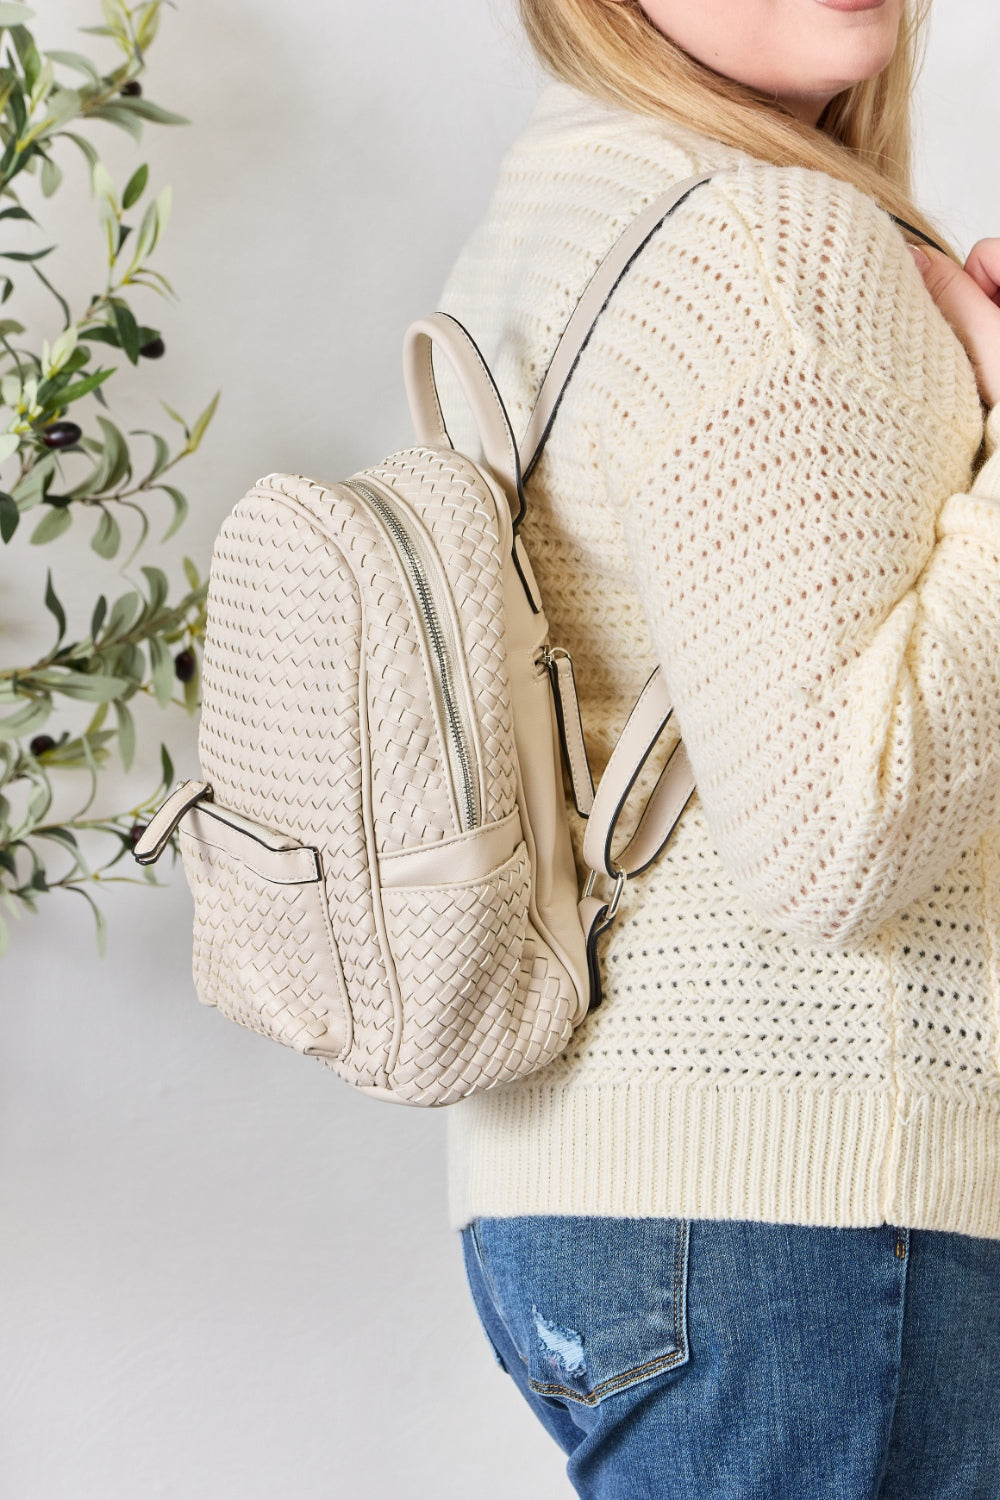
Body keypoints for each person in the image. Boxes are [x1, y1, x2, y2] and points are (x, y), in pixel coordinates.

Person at [434, 1, 1000, 1496]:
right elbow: (841, 831)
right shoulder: (767, 242)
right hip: (822, 1220)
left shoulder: (577, 202)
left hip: (623, 1212)